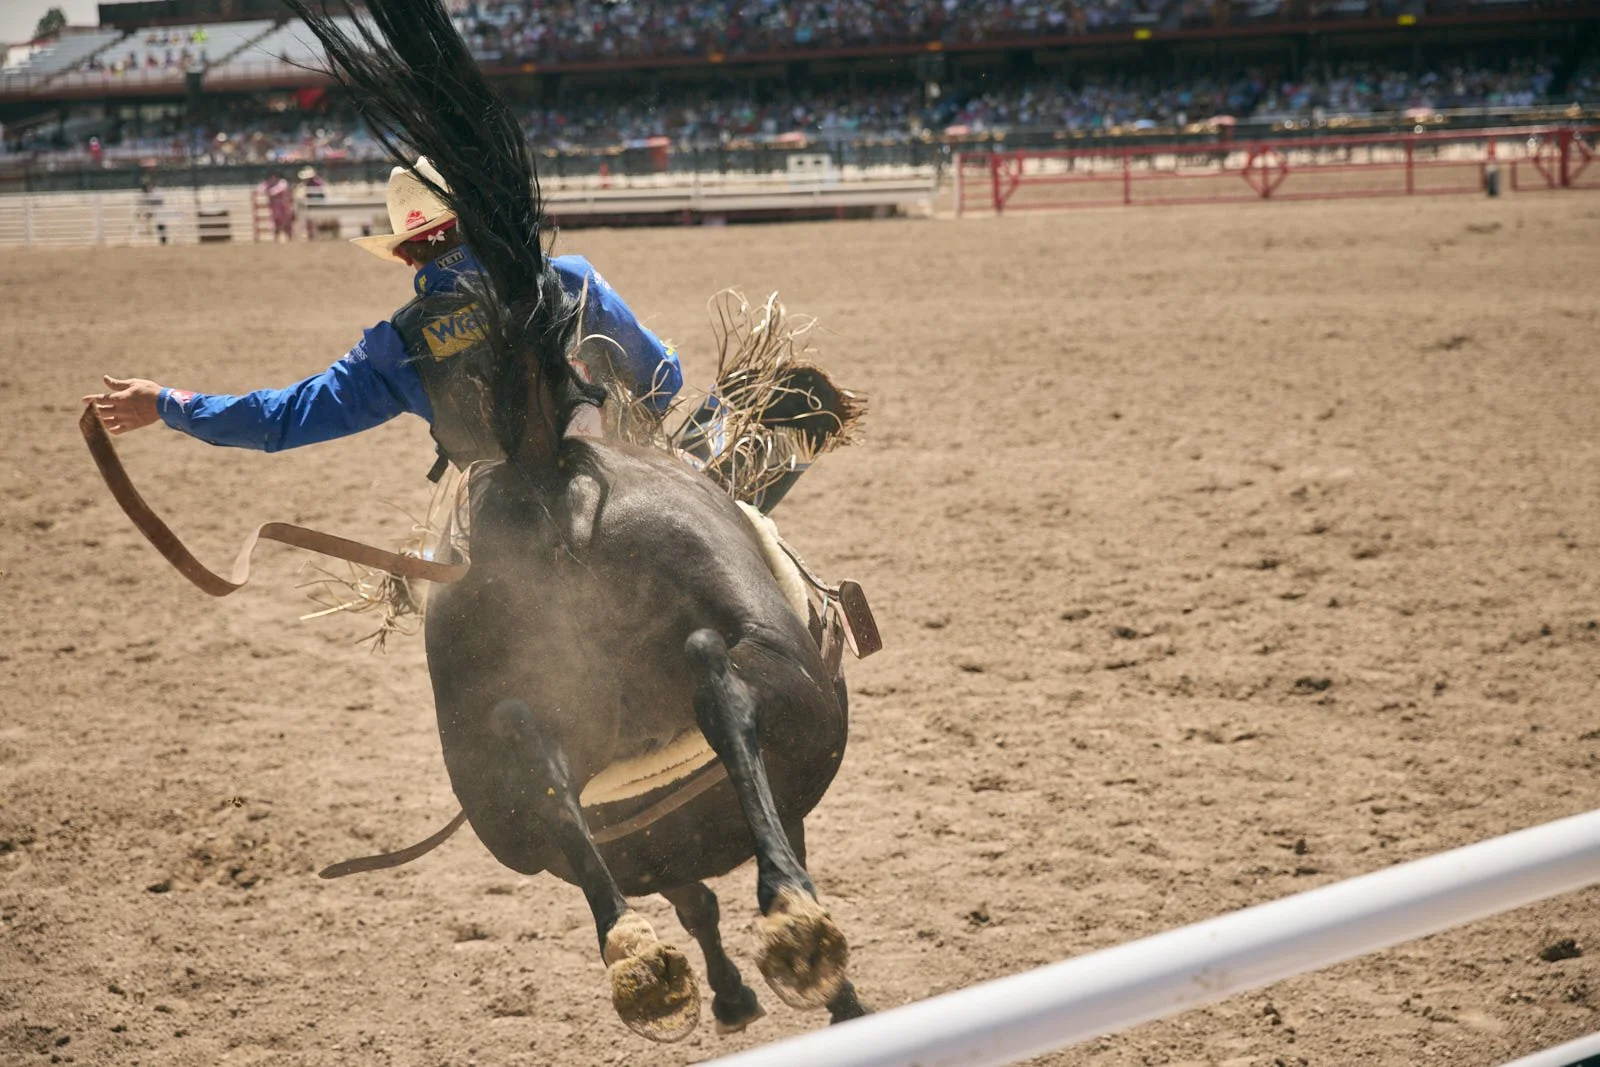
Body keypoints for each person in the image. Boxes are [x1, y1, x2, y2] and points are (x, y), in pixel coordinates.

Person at [85, 158, 681, 479]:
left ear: (405, 253)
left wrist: (168, 402)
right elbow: (663, 381)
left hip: (504, 501)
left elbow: (279, 420)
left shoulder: (396, 347)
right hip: (613, 466)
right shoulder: (567, 277)